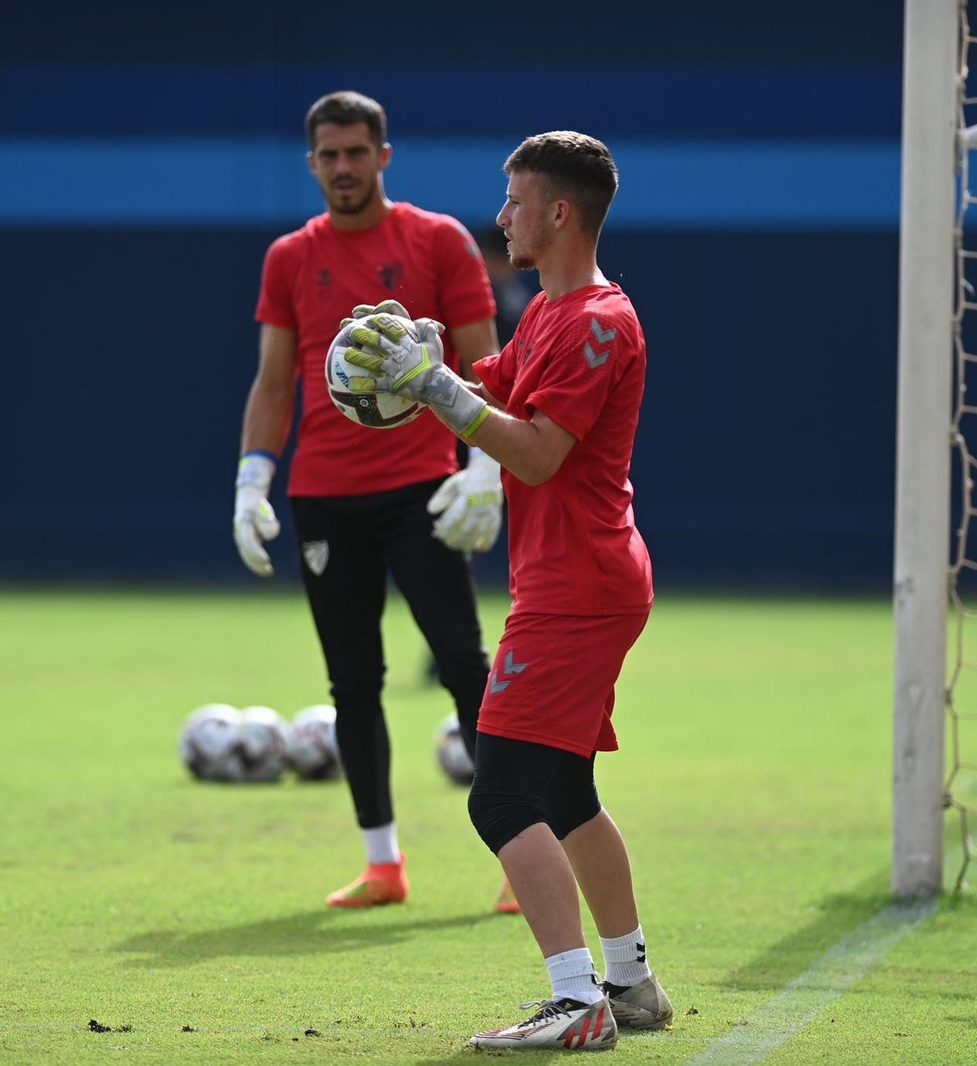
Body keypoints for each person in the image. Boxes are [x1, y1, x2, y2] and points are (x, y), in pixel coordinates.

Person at [340, 130, 670, 1051]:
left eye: (516, 202)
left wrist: (437, 389)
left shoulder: (598, 321)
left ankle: (575, 1001)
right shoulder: (554, 314)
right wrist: (422, 359)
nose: (502, 217)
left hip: (577, 585)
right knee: (564, 791)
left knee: (499, 798)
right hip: (578, 576)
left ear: (559, 212)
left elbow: (536, 451)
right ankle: (631, 984)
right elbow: (494, 392)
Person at [232, 90, 516, 913]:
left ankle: (519, 853)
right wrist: (251, 480)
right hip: (324, 496)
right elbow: (275, 381)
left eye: (357, 152)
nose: (344, 167)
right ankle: (382, 864)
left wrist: (485, 466)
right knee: (351, 680)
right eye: (329, 155)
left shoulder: (438, 240)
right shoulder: (290, 256)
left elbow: (486, 362)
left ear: (384, 156)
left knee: (463, 663)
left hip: (421, 488)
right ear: (311, 163)